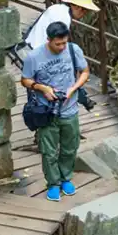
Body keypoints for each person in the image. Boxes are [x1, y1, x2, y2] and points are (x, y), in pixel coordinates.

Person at [21, 21, 90, 202]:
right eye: (57, 44)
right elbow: (25, 80)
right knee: (48, 151)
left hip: (70, 108)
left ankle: (66, 177)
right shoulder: (34, 57)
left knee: (70, 147)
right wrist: (43, 88)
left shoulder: (74, 50)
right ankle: (53, 183)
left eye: (64, 43)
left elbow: (84, 71)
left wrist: (73, 88)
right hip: (47, 111)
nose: (62, 47)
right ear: (48, 40)